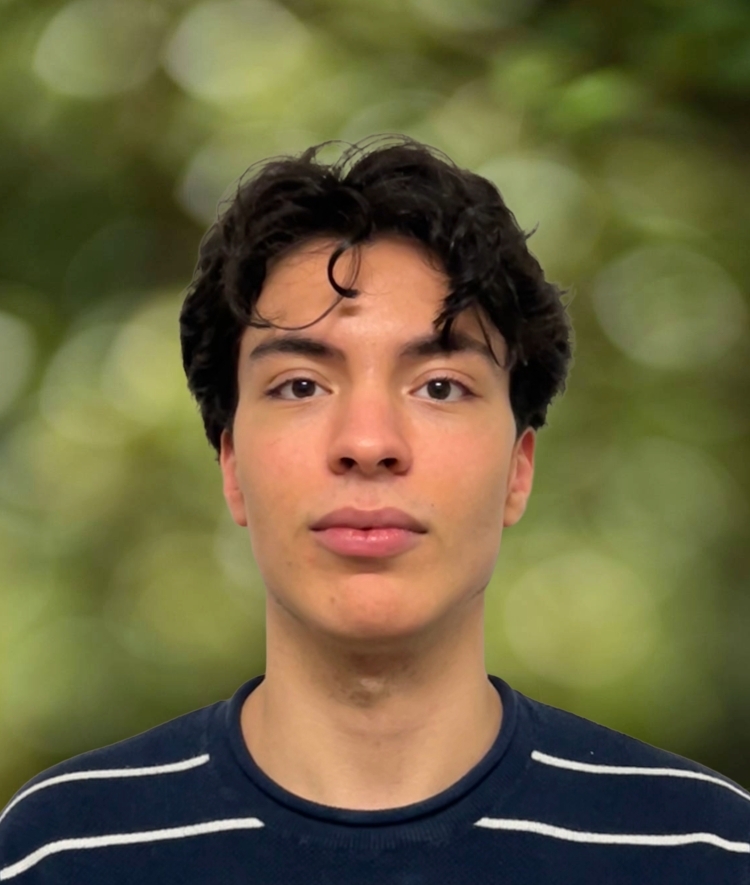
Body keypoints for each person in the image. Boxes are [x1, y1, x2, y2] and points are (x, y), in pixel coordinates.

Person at [1, 135, 748, 884]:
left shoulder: (705, 852)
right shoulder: (59, 851)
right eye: (300, 385)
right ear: (231, 466)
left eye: (440, 386)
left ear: (519, 469)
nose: (368, 441)